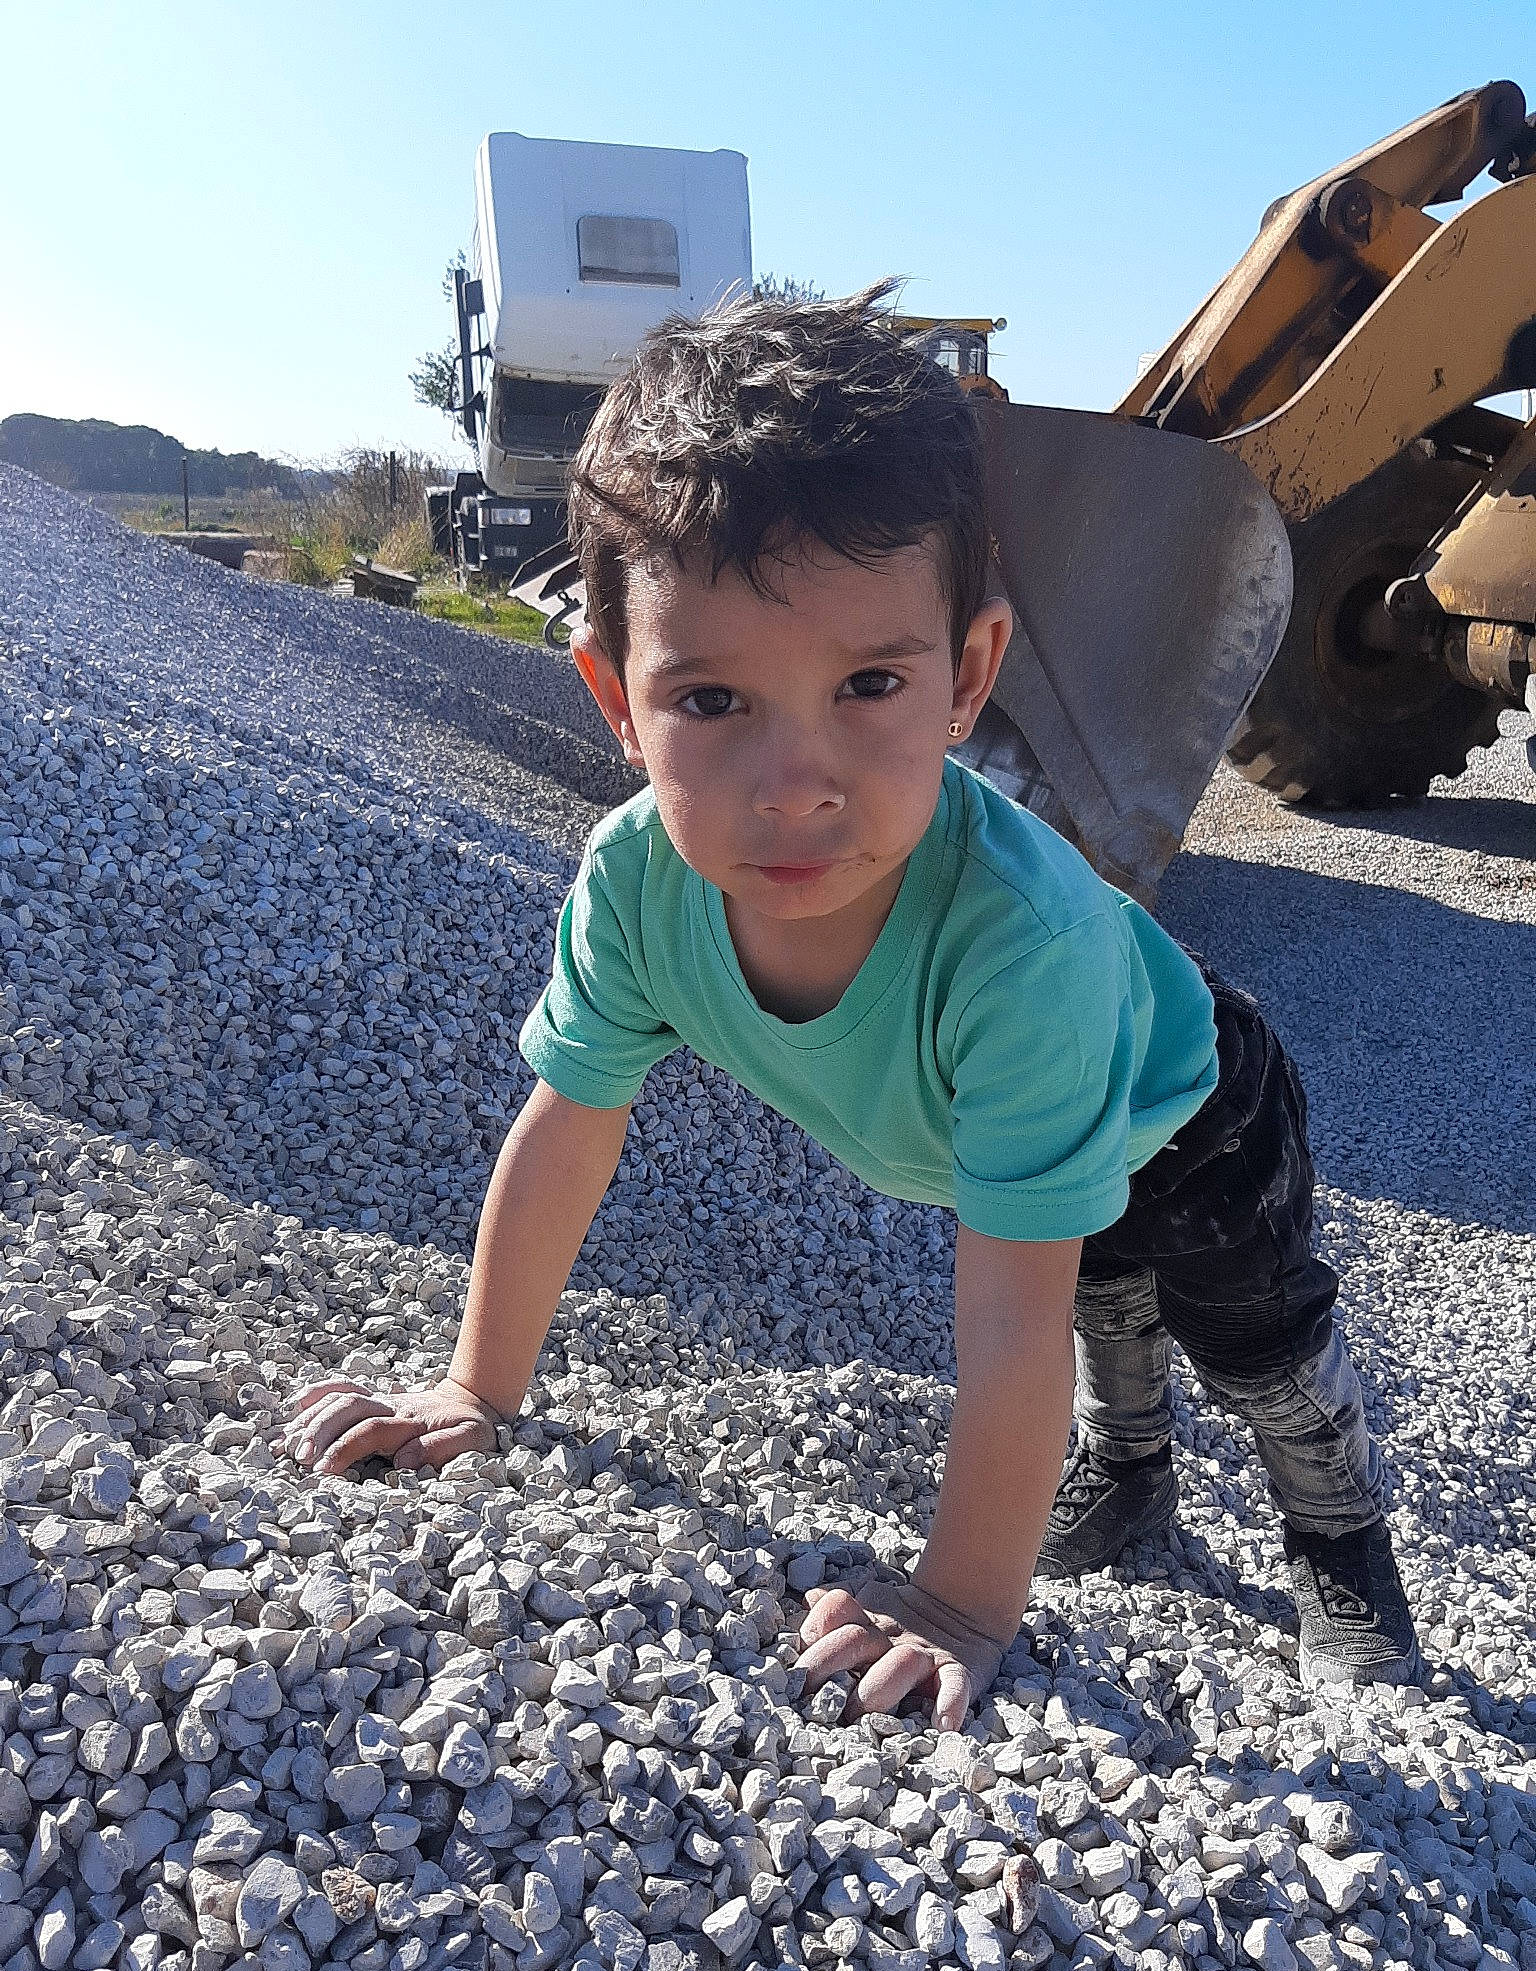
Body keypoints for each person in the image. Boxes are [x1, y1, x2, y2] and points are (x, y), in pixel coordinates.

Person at [289, 283, 1422, 1730]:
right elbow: (567, 1129)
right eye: (713, 702)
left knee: (1248, 1344)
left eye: (871, 682)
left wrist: (959, 1601)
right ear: (614, 699)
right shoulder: (637, 885)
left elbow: (1002, 1313)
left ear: (970, 674)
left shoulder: (1017, 945)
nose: (798, 780)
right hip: (1031, 1136)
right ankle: (1130, 1484)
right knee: (1107, 1324)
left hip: (1190, 1108)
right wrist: (475, 1390)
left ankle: (1342, 1546)